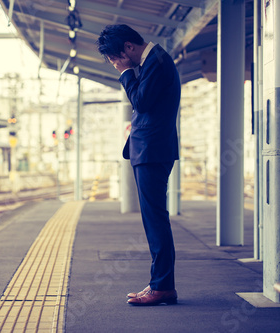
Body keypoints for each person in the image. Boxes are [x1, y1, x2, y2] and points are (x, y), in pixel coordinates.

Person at [97, 24, 180, 306]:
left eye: (115, 58)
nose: (115, 64)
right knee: (153, 219)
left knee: (155, 219)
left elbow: (141, 102)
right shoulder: (152, 62)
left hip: (153, 150)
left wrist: (125, 73)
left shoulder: (156, 61)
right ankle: (160, 283)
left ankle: (162, 287)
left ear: (129, 48)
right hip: (150, 149)